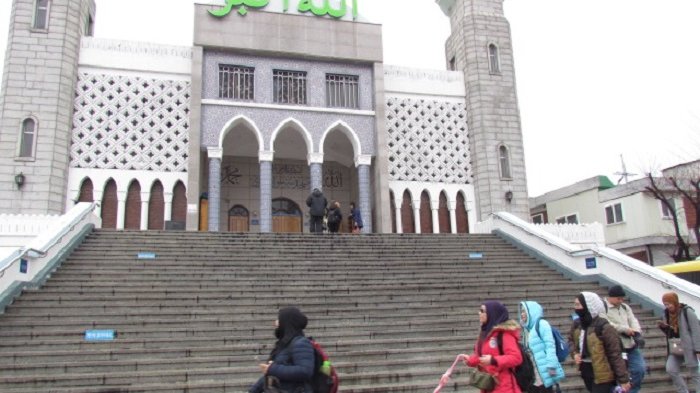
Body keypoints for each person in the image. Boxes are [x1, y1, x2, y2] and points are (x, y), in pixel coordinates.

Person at [568, 291, 630, 393]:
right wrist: (574, 353)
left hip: (604, 373)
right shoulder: (577, 324)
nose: (576, 307)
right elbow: (570, 340)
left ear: (588, 305)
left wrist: (623, 379)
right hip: (586, 370)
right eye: (575, 304)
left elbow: (615, 354)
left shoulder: (604, 326)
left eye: (578, 304)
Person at [248, 306, 315, 393]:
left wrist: (273, 369)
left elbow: (305, 371)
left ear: (286, 323)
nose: (276, 323)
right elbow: (270, 374)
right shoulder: (285, 344)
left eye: (279, 320)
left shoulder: (301, 343)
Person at [465, 300, 523, 393]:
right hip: (488, 385)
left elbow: (516, 357)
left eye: (482, 311)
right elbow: (481, 356)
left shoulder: (504, 334)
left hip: (504, 387)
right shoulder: (484, 334)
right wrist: (470, 360)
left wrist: (494, 360)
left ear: (492, 313)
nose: (479, 313)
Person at [603, 285, 646, 393]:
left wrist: (636, 332)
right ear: (611, 297)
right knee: (618, 373)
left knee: (639, 369)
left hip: (630, 345)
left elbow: (633, 320)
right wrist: (625, 329)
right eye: (618, 298)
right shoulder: (603, 308)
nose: (621, 301)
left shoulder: (625, 307)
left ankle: (633, 390)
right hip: (615, 347)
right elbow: (606, 324)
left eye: (622, 298)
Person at [657, 291, 700, 393]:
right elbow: (669, 332)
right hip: (675, 346)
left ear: (675, 302)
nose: (668, 306)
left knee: (694, 372)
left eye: (669, 304)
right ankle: (683, 391)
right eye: (665, 304)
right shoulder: (666, 313)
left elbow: (696, 331)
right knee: (670, 368)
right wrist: (663, 327)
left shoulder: (687, 311)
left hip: (689, 347)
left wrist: (698, 349)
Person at [519, 300, 565, 393]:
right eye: (521, 311)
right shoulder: (527, 329)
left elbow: (550, 345)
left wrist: (552, 367)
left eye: (524, 311)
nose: (522, 314)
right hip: (534, 374)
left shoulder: (542, 324)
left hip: (546, 372)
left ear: (531, 311)